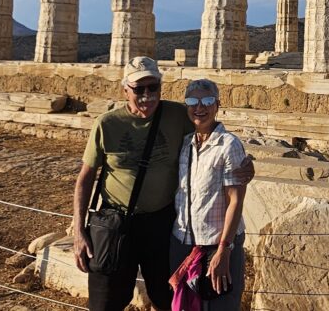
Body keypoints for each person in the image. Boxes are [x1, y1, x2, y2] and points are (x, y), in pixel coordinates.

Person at [72, 57, 252, 311]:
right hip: (116, 226)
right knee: (105, 303)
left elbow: (212, 130)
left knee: (169, 299)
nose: (147, 95)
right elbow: (85, 179)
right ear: (126, 90)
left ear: (160, 87)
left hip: (161, 225)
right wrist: (79, 232)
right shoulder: (107, 124)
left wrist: (245, 163)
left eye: (153, 87)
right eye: (139, 89)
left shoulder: (177, 114)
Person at [168, 79, 247, 311]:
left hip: (217, 246)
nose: (199, 107)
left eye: (207, 101)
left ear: (217, 105)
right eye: (192, 101)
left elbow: (236, 201)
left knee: (220, 306)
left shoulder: (229, 145)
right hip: (183, 243)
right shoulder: (184, 143)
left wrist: (224, 250)